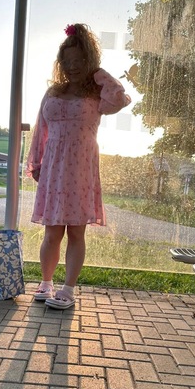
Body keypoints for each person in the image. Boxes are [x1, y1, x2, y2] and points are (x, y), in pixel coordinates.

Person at [26, 23, 131, 310]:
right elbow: (40, 129)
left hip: (81, 170)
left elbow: (120, 98)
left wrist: (99, 74)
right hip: (53, 169)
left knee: (75, 232)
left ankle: (68, 289)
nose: (72, 67)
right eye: (67, 61)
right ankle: (46, 282)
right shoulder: (53, 92)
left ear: (89, 61)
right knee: (52, 232)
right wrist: (37, 162)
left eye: (79, 61)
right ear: (60, 63)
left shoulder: (98, 94)